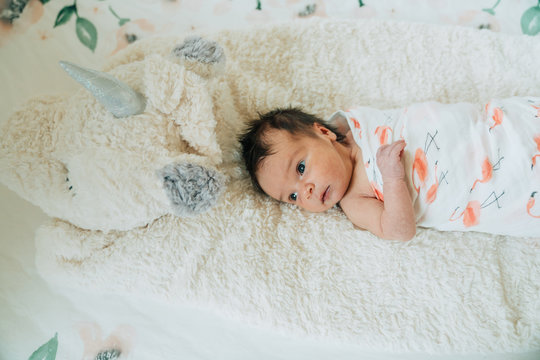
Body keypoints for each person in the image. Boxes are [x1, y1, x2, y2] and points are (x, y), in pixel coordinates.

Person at [239, 97, 540, 240]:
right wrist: (393, 177)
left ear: (325, 133)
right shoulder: (355, 200)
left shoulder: (360, 124)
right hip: (503, 186)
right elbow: (399, 231)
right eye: (292, 197)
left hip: (494, 129)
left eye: (301, 168)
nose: (304, 192)